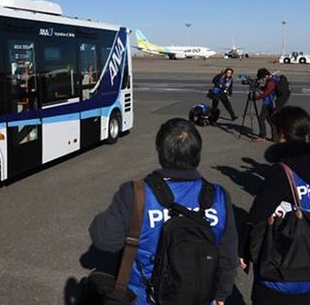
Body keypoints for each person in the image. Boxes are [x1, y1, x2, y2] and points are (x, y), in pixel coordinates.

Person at [89, 118, 238, 304]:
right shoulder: (218, 196)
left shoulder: (137, 194)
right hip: (200, 296)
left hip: (146, 296)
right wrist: (221, 294)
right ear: (197, 153)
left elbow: (104, 239)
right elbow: (228, 254)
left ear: (160, 152)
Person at [239, 106, 310, 305]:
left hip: (282, 267)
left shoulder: (282, 171)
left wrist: (243, 250)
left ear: (282, 134)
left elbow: (257, 215)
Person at [252, 68, 276, 143]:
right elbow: (265, 89)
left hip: (268, 103)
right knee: (270, 119)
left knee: (261, 118)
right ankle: (275, 136)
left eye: (262, 78)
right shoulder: (271, 81)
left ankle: (262, 136)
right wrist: (258, 87)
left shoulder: (271, 82)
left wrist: (256, 98)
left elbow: (266, 93)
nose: (262, 79)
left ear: (265, 76)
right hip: (272, 103)